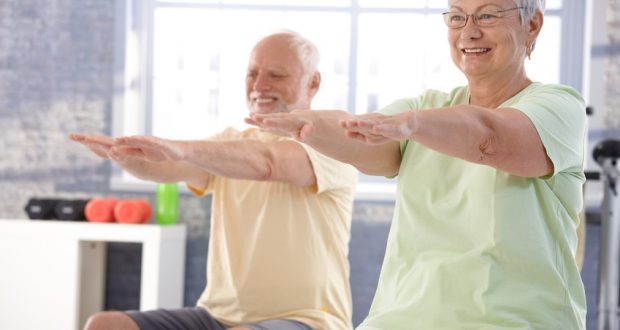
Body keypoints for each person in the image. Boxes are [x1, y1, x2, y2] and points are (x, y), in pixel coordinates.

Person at [247, 1, 587, 329]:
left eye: (487, 16)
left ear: (532, 25)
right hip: (399, 320)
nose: (468, 32)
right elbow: (365, 139)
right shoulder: (426, 107)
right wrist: (310, 128)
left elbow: (491, 138)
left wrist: (414, 125)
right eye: (456, 18)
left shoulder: (558, 106)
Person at [71, 31, 358, 330]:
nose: (260, 85)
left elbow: (268, 162)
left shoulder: (332, 144)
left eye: (276, 74)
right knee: (105, 325)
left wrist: (182, 148)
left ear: (313, 82)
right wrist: (123, 155)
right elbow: (169, 167)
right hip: (217, 316)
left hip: (308, 319)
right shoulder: (228, 144)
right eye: (252, 73)